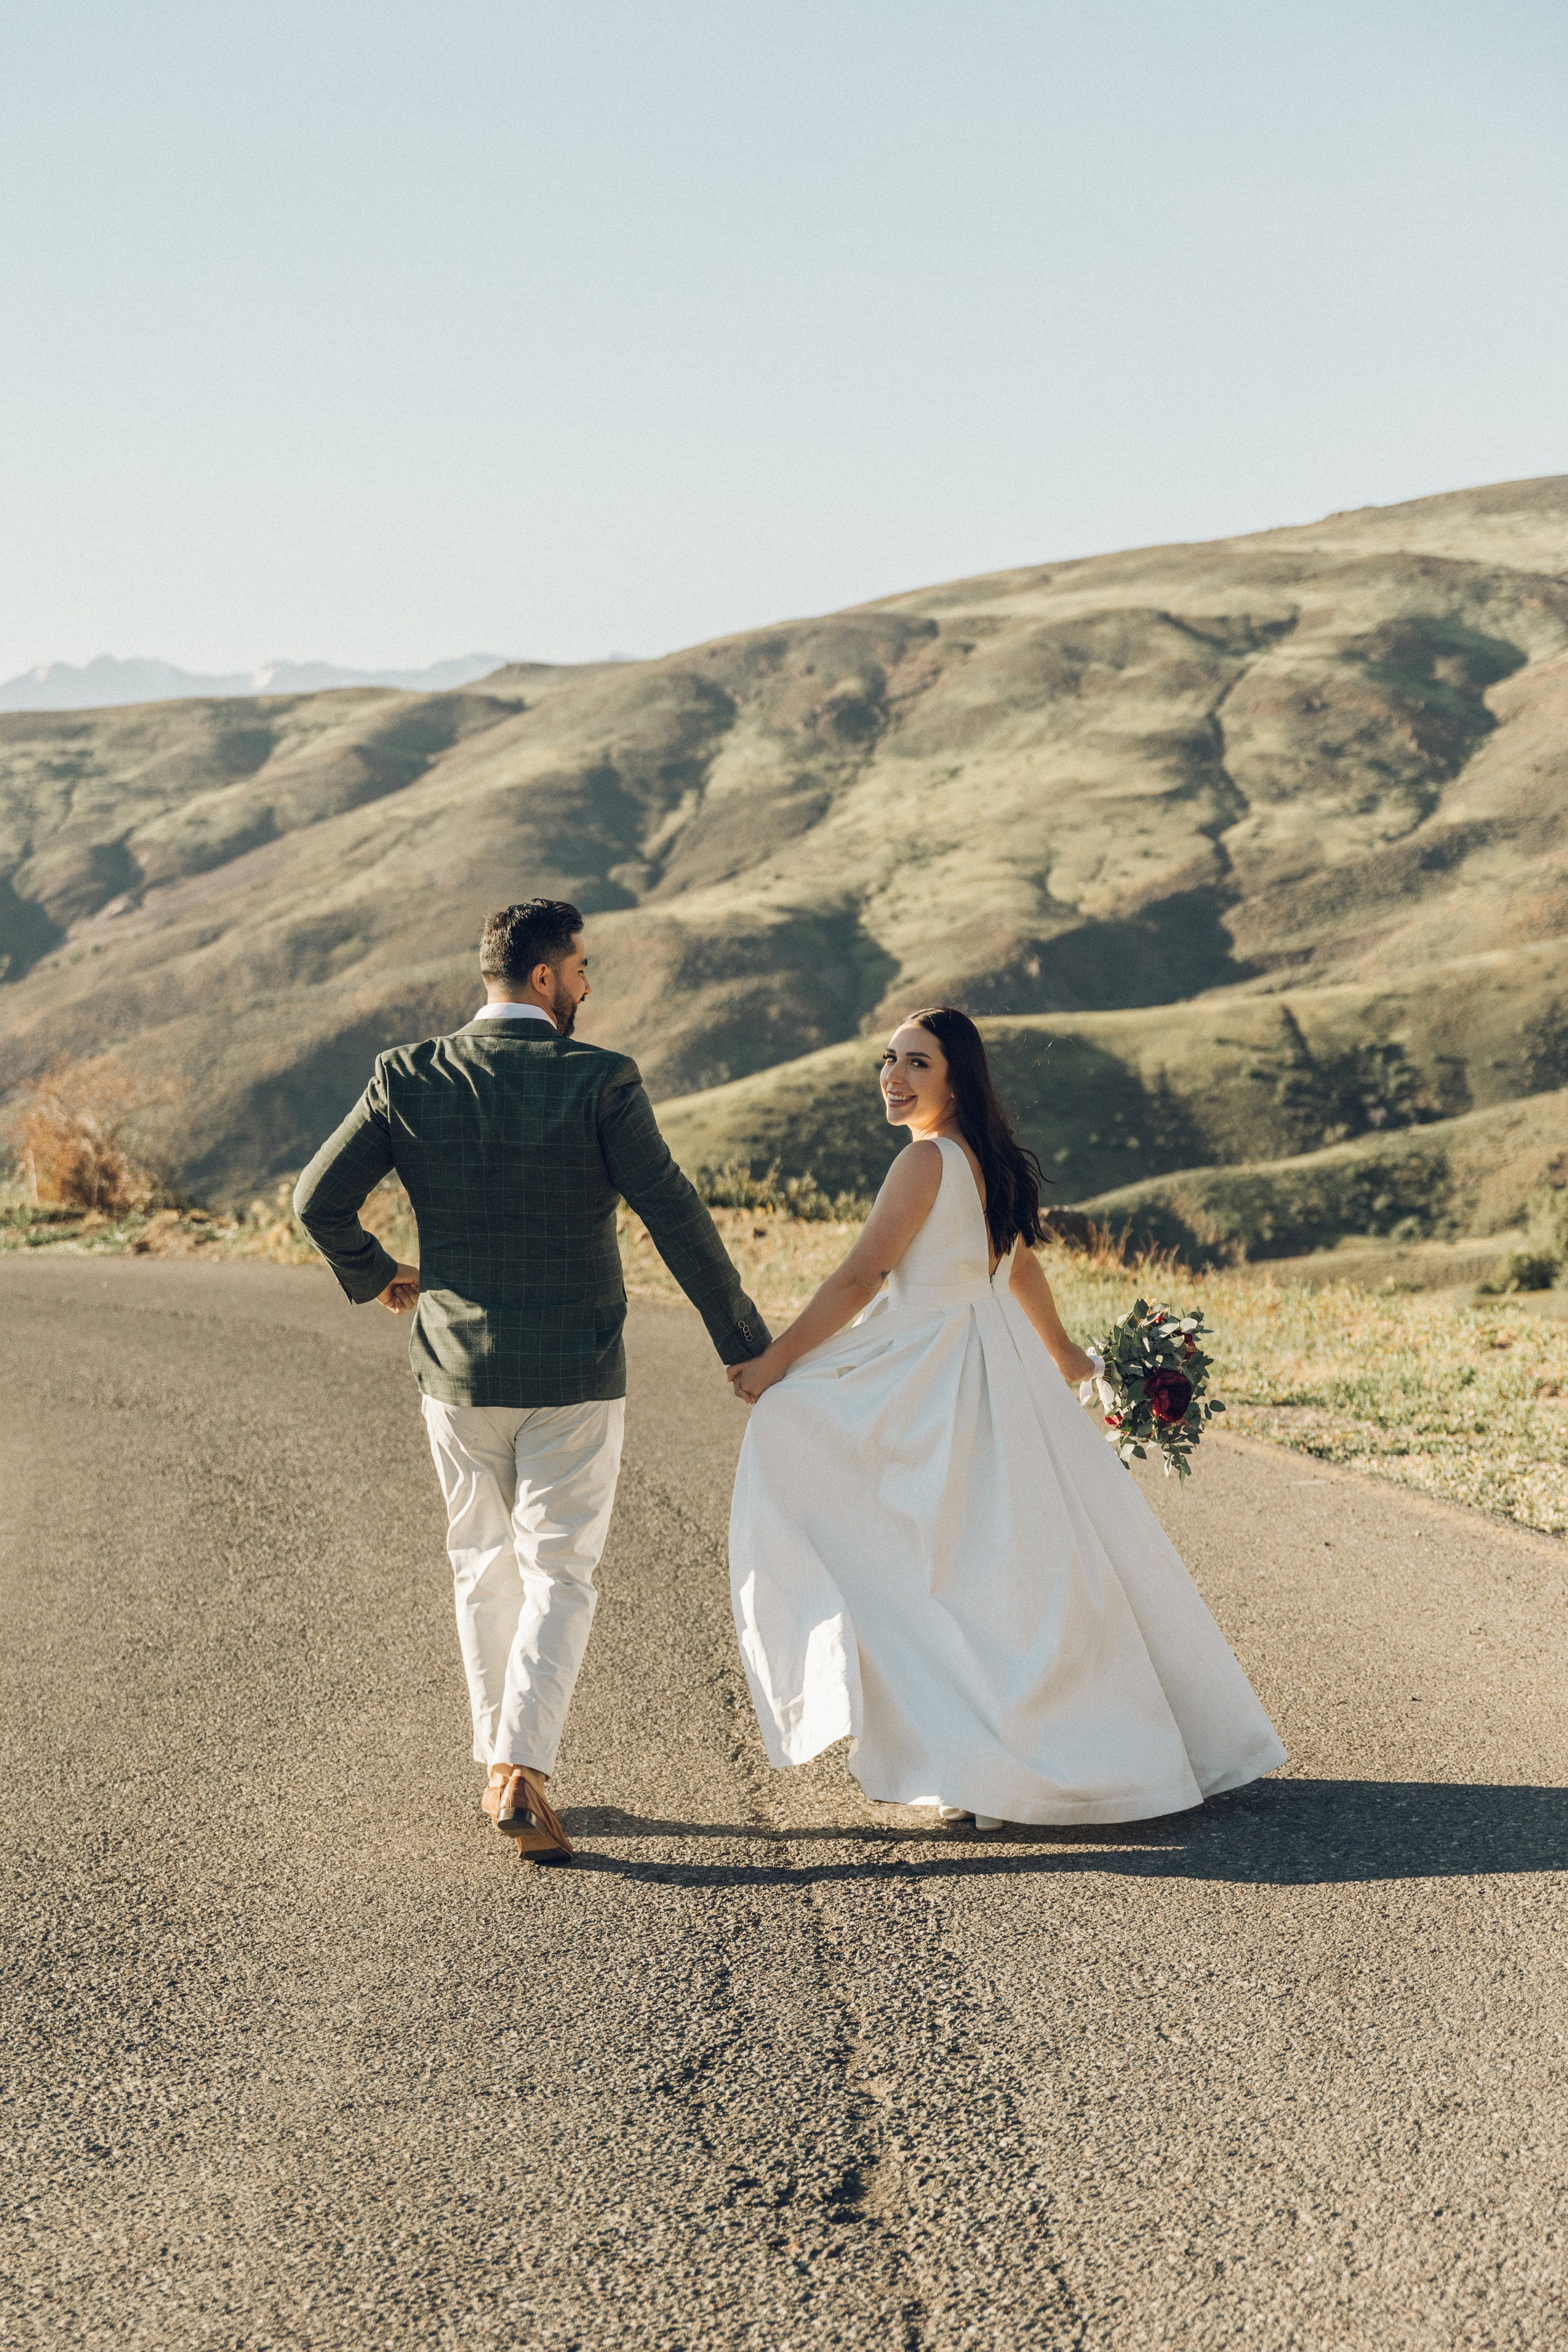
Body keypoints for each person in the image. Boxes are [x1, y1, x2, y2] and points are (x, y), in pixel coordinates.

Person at [293, 899, 770, 1863]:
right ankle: (523, 1766)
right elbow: (673, 1214)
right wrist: (742, 1342)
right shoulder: (598, 1080)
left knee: (482, 1562)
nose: (589, 986)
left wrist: (378, 1271)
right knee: (562, 1569)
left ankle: (496, 1767)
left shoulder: (409, 1076)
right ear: (546, 977)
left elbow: (316, 1200)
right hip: (576, 1370)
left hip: (456, 1371)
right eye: (583, 967)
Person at [726, 1006, 1284, 1828]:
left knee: (921, 1542)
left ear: (957, 1079)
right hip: (997, 1365)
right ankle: (1008, 1748)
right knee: (1004, 1565)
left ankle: (986, 1757)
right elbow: (1019, 1274)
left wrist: (779, 1362)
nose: (895, 1076)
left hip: (935, 1369)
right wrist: (1065, 1361)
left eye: (918, 1063)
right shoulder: (988, 1162)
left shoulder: (926, 1163)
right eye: (889, 1059)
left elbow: (862, 1275)